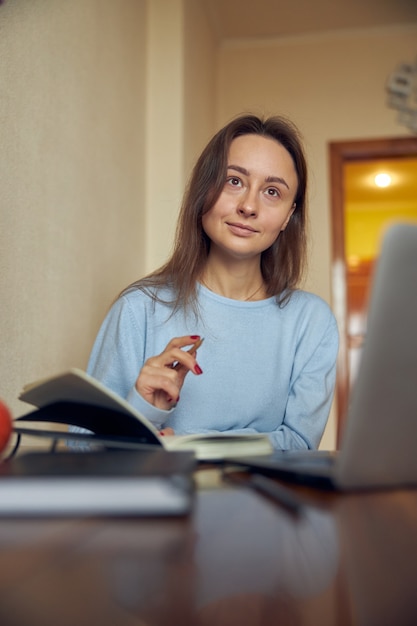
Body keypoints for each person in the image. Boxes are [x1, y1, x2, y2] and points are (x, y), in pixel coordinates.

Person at [86, 114, 339, 450]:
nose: (249, 206)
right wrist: (143, 406)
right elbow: (81, 445)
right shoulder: (138, 309)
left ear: (288, 216)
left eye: (272, 191)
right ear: (204, 188)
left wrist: (186, 446)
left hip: (264, 503)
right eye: (234, 181)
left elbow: (298, 444)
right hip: (160, 501)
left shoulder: (312, 322)